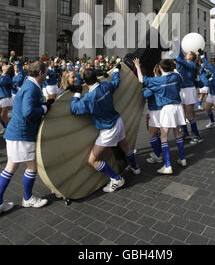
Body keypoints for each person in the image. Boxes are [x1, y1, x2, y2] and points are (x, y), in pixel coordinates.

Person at [0, 61, 53, 215]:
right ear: (39, 73)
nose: (46, 75)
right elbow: (28, 111)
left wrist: (44, 103)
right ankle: (28, 198)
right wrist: (45, 107)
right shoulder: (31, 87)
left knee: (10, 166)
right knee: (31, 167)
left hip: (15, 133)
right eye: (45, 73)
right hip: (23, 134)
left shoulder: (29, 84)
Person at [70, 65, 140, 193]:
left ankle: (116, 179)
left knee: (92, 160)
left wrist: (77, 93)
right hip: (118, 121)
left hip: (108, 129)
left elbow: (74, 109)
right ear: (97, 78)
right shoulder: (106, 86)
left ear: (85, 82)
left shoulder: (89, 98)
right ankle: (135, 167)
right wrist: (116, 71)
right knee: (125, 146)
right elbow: (117, 82)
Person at [134, 57, 187, 174]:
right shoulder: (176, 77)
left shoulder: (158, 81)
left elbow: (141, 79)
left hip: (167, 108)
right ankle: (183, 159)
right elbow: (181, 78)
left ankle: (168, 165)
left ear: (161, 68)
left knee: (164, 136)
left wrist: (137, 66)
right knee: (177, 133)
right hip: (178, 107)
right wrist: (175, 68)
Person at [172, 45, 203, 144]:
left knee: (189, 115)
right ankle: (186, 133)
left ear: (191, 57)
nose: (186, 54)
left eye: (188, 54)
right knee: (182, 114)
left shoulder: (192, 65)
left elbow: (179, 59)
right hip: (182, 90)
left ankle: (197, 135)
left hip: (189, 90)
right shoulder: (184, 63)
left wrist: (171, 53)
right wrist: (176, 42)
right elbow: (180, 55)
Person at [142, 64, 163, 164]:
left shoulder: (155, 81)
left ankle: (158, 155)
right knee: (157, 132)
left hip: (156, 109)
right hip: (162, 108)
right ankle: (159, 152)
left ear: (155, 71)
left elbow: (146, 94)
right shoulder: (166, 79)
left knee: (151, 134)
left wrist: (144, 90)